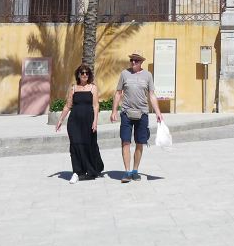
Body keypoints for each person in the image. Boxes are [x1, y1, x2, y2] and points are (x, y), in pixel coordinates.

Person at [110, 53, 163, 184]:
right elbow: (118, 93)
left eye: (136, 61)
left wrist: (158, 112)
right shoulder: (124, 74)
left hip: (142, 114)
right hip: (126, 113)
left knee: (140, 143)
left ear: (141, 62)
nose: (133, 62)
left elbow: (151, 95)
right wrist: (114, 111)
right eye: (131, 60)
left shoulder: (148, 75)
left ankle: (135, 170)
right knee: (125, 142)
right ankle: (127, 172)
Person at [56, 63, 104, 183]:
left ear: (89, 75)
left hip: (88, 122)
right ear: (78, 74)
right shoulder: (73, 88)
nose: (84, 75)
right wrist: (60, 120)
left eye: (87, 73)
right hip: (74, 122)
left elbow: (96, 106)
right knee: (75, 145)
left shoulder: (93, 88)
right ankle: (77, 172)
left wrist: (95, 122)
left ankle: (92, 169)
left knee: (89, 145)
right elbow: (68, 106)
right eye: (82, 73)